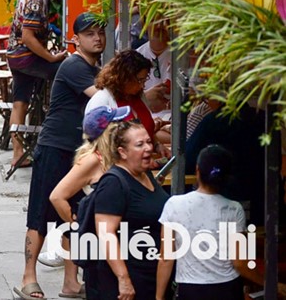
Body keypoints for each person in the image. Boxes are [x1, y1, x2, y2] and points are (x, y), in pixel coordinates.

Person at [17, 13, 107, 300]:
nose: (97, 37)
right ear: (76, 39)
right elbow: (100, 99)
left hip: (79, 152)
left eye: (100, 32)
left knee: (76, 216)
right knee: (40, 215)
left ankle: (71, 281)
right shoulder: (74, 66)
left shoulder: (96, 68)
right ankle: (28, 277)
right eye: (90, 33)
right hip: (55, 148)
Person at [156, 145, 266, 300]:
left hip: (190, 290)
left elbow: (166, 258)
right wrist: (269, 284)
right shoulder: (234, 209)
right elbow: (240, 263)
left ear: (197, 170)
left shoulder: (174, 205)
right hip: (227, 289)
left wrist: (159, 297)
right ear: (227, 177)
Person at [48, 106, 130, 300]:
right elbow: (57, 196)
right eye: (119, 124)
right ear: (108, 131)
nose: (125, 127)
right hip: (100, 238)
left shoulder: (111, 156)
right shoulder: (93, 159)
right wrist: (76, 225)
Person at [94, 121, 169, 300]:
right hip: (129, 282)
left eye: (149, 142)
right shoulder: (114, 183)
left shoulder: (146, 174)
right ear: (122, 152)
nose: (148, 148)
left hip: (150, 277)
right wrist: (124, 279)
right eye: (140, 144)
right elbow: (106, 233)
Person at [6, 0, 66, 167]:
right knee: (66, 73)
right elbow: (28, 37)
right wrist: (50, 57)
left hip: (16, 55)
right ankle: (56, 139)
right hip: (26, 57)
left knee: (20, 102)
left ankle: (18, 152)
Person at [84, 50, 159, 147]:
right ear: (125, 77)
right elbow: (96, 143)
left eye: (144, 80)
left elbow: (147, 127)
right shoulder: (101, 101)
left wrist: (157, 145)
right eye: (139, 80)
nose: (142, 85)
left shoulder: (138, 95)